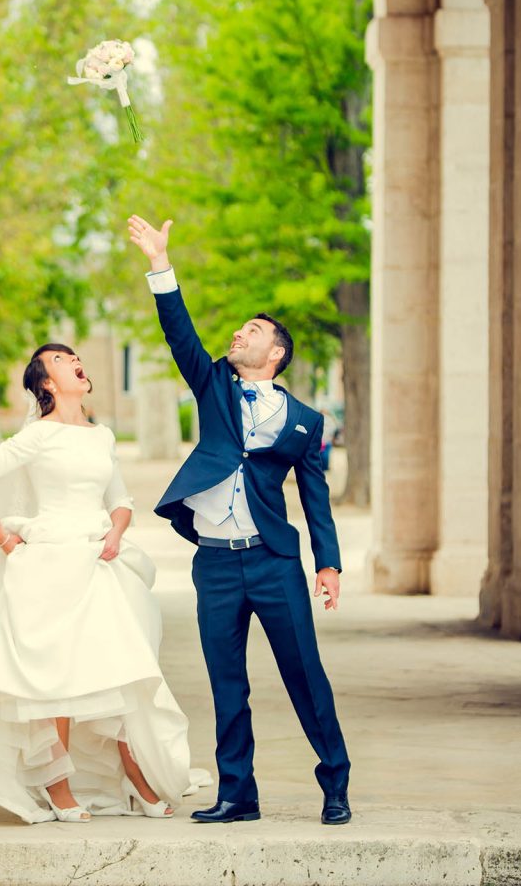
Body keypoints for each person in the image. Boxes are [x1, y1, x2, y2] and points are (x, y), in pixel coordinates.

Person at [128, 215, 351, 826]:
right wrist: (159, 264)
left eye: (251, 330)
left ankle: (335, 781)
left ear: (274, 352)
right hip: (217, 563)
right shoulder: (214, 387)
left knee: (305, 675)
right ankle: (237, 794)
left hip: (275, 561)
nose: (238, 333)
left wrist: (326, 563)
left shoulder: (306, 421)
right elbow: (180, 333)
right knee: (228, 683)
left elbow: (315, 497)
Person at [0, 343, 194, 824]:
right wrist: (4, 538)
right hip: (50, 561)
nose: (74, 360)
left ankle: (137, 781)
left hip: (97, 560)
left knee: (117, 670)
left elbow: (120, 499)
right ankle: (58, 787)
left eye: (74, 356)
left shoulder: (102, 437)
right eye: (58, 360)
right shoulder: (39, 435)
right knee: (54, 677)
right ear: (47, 384)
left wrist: (116, 533)